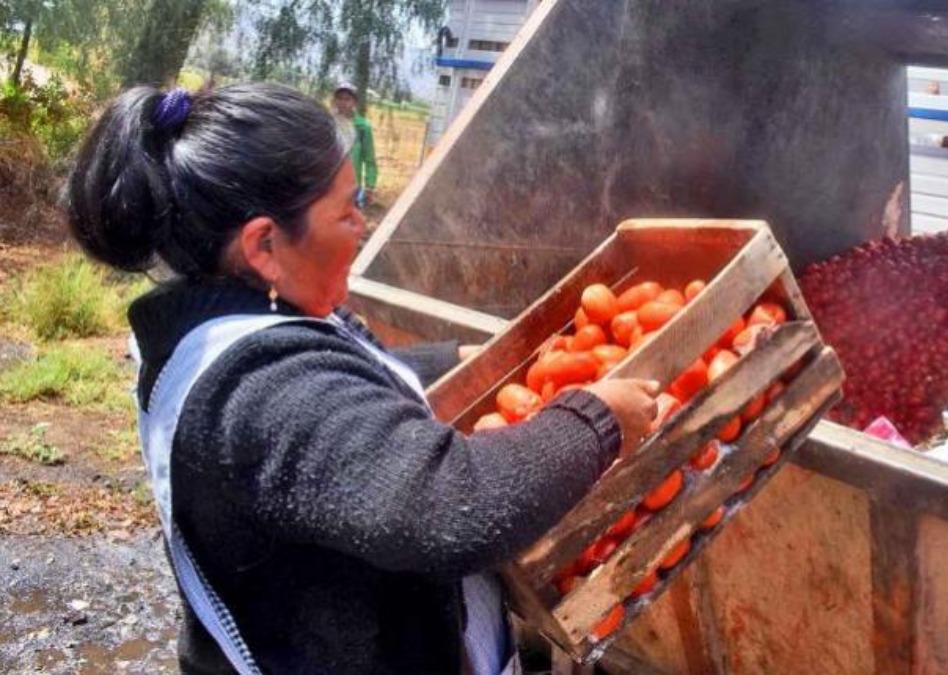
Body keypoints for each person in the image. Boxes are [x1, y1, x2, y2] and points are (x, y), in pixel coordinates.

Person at [65, 83, 659, 675]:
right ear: (264, 244)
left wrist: (470, 358)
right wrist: (598, 419)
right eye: (346, 210)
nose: (363, 225)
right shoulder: (259, 388)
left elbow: (343, 377)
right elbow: (451, 505)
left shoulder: (234, 313)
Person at [332, 82, 378, 208]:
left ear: (354, 102)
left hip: (351, 183)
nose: (343, 102)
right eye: (339, 98)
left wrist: (370, 185)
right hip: (330, 182)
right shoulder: (329, 123)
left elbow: (369, 159)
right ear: (334, 100)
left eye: (347, 99)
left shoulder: (362, 127)